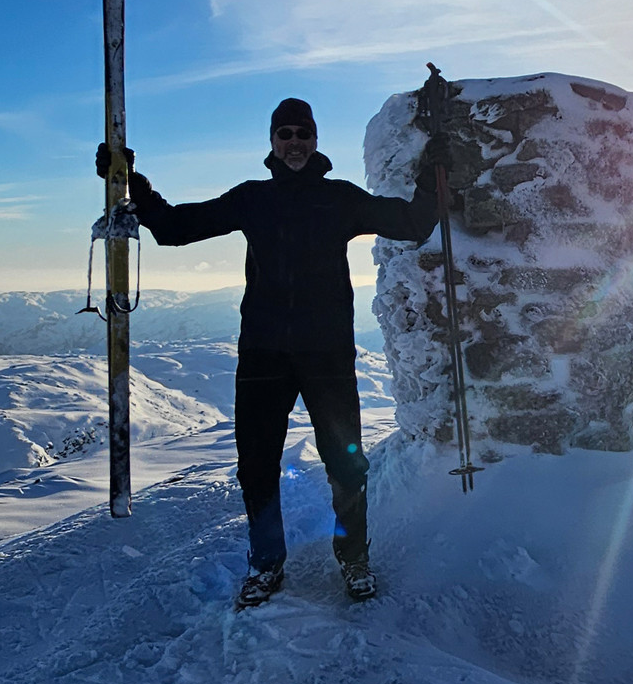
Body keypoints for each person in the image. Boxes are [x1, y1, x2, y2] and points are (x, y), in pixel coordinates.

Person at [96, 97, 440, 608]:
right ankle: (266, 561)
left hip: (326, 354)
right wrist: (133, 185)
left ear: (316, 140)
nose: (295, 143)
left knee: (346, 465)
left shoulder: (341, 199)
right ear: (272, 143)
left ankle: (354, 557)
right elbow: (175, 229)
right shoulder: (253, 199)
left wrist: (436, 169)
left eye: (303, 134)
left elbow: (413, 224)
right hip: (264, 355)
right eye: (286, 134)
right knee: (256, 465)